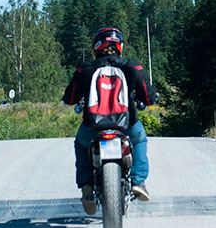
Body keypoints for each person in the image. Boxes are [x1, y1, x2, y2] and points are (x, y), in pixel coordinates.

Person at [61, 27, 155, 214]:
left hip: (93, 125)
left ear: (97, 47)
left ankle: (87, 187)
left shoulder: (86, 69)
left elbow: (70, 98)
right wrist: (146, 99)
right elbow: (149, 98)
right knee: (139, 140)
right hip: (126, 124)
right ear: (119, 46)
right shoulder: (131, 67)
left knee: (81, 144)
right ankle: (138, 181)